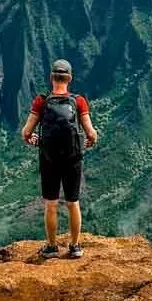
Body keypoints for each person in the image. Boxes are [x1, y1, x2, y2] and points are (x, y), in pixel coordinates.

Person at [21, 59, 98, 259]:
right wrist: (88, 141)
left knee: (51, 204)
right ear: (70, 79)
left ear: (51, 78)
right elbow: (91, 133)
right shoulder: (78, 101)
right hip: (73, 158)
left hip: (49, 158)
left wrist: (33, 140)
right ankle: (75, 246)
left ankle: (52, 247)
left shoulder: (41, 101)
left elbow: (26, 132)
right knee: (73, 203)